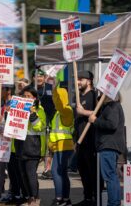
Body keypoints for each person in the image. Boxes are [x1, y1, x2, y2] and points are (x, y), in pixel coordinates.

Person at [88, 93, 125, 206]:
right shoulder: (111, 106)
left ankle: (113, 203)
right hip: (108, 145)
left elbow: (112, 124)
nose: (100, 96)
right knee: (111, 175)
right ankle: (115, 202)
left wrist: (95, 121)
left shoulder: (113, 106)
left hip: (108, 145)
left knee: (109, 175)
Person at [14, 86, 46, 206]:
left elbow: (39, 127)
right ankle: (29, 197)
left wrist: (32, 114)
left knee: (30, 174)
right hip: (20, 145)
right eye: (24, 96)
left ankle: (35, 198)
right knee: (23, 175)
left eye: (29, 96)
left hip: (33, 146)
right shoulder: (18, 108)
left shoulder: (39, 110)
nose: (26, 99)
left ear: (34, 98)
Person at [73, 71, 98, 206]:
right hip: (80, 140)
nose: (77, 82)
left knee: (92, 170)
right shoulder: (77, 97)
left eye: (80, 79)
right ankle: (87, 198)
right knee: (82, 170)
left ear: (88, 81)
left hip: (91, 139)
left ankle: (95, 198)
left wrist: (83, 112)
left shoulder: (94, 96)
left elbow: (99, 114)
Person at [50, 85, 74, 206]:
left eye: (57, 98)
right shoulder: (60, 113)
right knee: (62, 173)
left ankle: (60, 198)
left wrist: (54, 91)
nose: (54, 101)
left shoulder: (66, 110)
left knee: (56, 172)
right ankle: (65, 199)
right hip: (61, 147)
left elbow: (59, 103)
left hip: (64, 146)